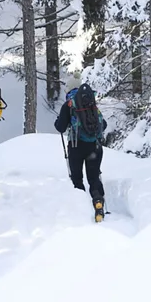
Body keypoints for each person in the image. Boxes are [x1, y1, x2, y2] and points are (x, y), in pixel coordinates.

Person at [54, 78, 108, 222]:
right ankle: (98, 202)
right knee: (94, 177)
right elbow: (104, 124)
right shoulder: (91, 102)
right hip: (95, 147)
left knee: (77, 179)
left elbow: (60, 127)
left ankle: (81, 211)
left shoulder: (69, 104)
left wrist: (59, 120)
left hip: (76, 146)